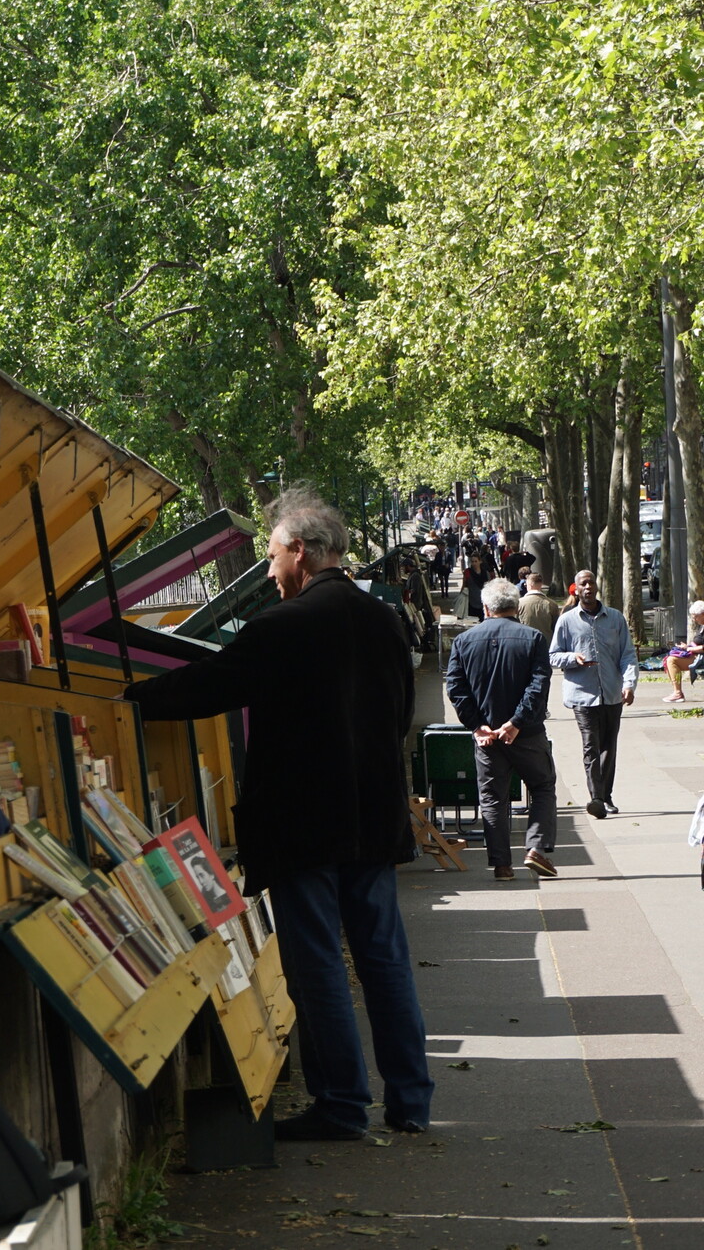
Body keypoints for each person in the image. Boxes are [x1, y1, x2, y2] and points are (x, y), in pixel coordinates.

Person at [122, 486, 434, 1141]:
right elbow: (400, 715)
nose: (268, 572)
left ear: (299, 549)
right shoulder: (385, 620)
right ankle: (410, 1099)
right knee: (384, 955)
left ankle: (343, 1103)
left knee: (316, 957)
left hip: (301, 824)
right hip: (372, 818)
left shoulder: (279, 628)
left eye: (271, 556)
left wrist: (128, 700)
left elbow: (206, 687)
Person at [445, 579, 557, 879]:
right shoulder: (533, 638)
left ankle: (502, 864)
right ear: (516, 606)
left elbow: (456, 688)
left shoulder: (464, 641)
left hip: (487, 737)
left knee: (493, 798)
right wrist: (516, 722)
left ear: (485, 608)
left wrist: (478, 725)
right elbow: (538, 686)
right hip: (528, 733)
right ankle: (536, 847)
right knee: (543, 786)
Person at [549, 569, 638, 818]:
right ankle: (596, 797)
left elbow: (628, 655)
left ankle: (606, 795)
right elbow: (553, 655)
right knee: (591, 746)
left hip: (611, 693)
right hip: (583, 695)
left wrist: (629, 684)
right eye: (583, 584)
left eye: (591, 583)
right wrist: (572, 658)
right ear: (575, 590)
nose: (588, 587)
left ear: (596, 587)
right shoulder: (566, 621)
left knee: (609, 747)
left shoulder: (615, 619)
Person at [662, 600, 704, 703]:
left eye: (695, 616)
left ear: (703, 614)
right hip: (697, 656)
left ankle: (677, 693)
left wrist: (690, 649)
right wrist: (687, 647)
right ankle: (677, 692)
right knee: (670, 659)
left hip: (700, 657)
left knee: (672, 661)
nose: (694, 619)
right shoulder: (702, 626)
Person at [519, 572, 559, 639]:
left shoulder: (519, 603)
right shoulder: (552, 604)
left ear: (530, 585)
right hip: (547, 643)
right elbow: (556, 627)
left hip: (526, 642)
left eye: (526, 585)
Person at [463, 552, 490, 619]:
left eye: (476, 561)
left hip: (483, 602)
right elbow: (464, 586)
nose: (474, 563)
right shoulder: (468, 572)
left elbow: (489, 587)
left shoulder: (486, 573)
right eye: (472, 561)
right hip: (471, 602)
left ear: (480, 561)